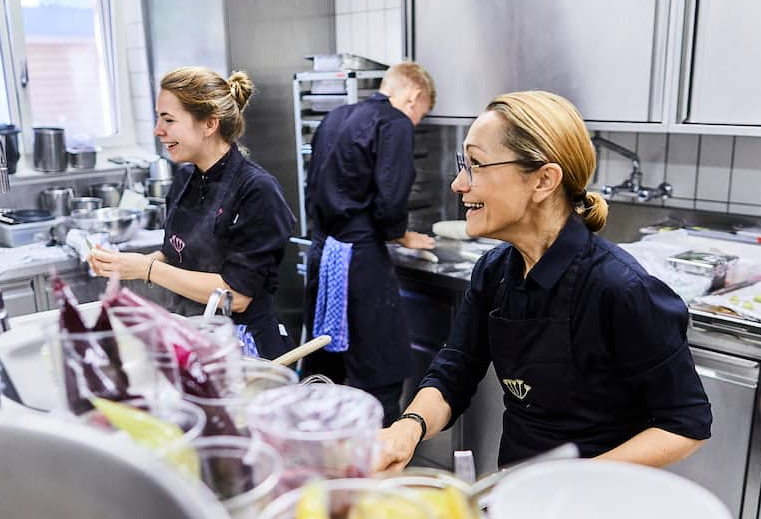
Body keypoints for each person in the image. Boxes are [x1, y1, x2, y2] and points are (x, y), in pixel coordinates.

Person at [376, 90, 712, 471]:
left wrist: (572, 481)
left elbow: (685, 423)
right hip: (514, 488)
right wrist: (407, 429)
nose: (458, 184)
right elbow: (455, 370)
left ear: (543, 180)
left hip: (598, 497)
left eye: (476, 164)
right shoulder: (494, 272)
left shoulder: (621, 289)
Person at [88, 66, 296, 360]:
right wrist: (122, 264)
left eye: (168, 120)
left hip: (243, 347)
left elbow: (236, 296)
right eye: (158, 118)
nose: (158, 130)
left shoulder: (257, 190)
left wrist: (147, 270)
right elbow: (176, 255)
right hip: (192, 334)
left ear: (209, 124)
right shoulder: (186, 178)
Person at [301, 61, 437, 427]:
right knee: (381, 375)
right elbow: (391, 200)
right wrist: (402, 234)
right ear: (414, 96)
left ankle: (324, 450)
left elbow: (315, 187)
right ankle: (379, 454)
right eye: (421, 114)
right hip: (359, 263)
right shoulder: (395, 122)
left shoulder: (335, 117)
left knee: (324, 371)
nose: (415, 122)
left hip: (323, 254)